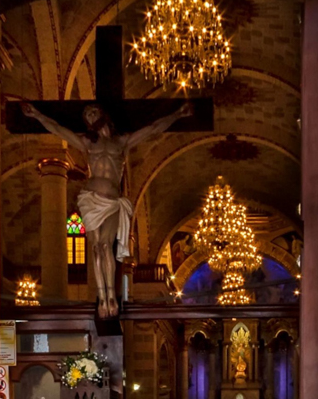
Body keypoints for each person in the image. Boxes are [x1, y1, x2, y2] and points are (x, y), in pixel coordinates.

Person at [20, 100, 193, 317]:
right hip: (90, 199)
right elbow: (58, 129)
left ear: (102, 113)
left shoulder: (122, 142)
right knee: (95, 249)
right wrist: (36, 115)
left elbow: (153, 128)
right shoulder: (87, 144)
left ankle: (111, 295)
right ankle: (102, 297)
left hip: (111, 201)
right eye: (87, 115)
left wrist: (178, 113)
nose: (90, 116)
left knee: (105, 246)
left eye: (93, 111)